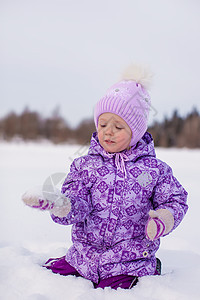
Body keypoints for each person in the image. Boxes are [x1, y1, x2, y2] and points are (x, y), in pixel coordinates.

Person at [22, 65, 188, 290]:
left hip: (129, 261)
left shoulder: (155, 170)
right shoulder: (84, 166)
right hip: (83, 258)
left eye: (118, 126)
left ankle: (146, 269)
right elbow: (79, 205)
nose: (108, 131)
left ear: (135, 132)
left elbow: (175, 200)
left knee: (114, 289)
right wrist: (61, 205)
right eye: (102, 124)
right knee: (49, 279)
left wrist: (164, 219)